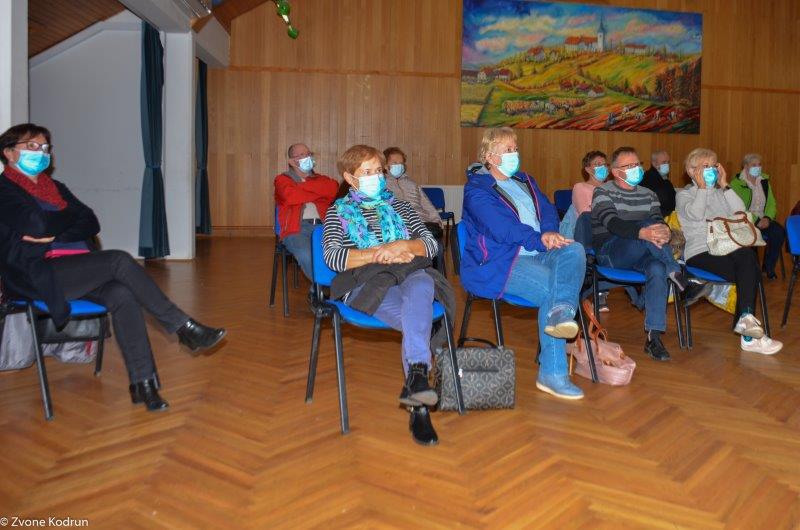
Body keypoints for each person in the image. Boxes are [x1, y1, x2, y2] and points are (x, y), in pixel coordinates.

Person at [0, 123, 226, 411]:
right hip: (36, 274)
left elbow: (90, 221)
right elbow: (38, 224)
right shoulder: (5, 190)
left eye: (45, 147)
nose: (41, 153)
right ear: (9, 152)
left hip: (74, 268)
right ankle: (183, 327)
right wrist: (66, 218)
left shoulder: (55, 188)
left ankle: (144, 383)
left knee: (121, 294)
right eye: (32, 146)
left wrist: (54, 232)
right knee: (118, 260)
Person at [322, 144, 446, 446]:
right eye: (367, 172)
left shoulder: (401, 207)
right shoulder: (338, 212)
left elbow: (431, 244)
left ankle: (417, 382)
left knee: (422, 282)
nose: (376, 177)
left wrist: (403, 247)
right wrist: (379, 253)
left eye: (378, 170)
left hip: (409, 273)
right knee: (417, 320)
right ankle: (418, 399)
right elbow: (333, 258)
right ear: (350, 178)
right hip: (366, 283)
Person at [461, 127, 586, 400]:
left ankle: (561, 313)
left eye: (515, 148)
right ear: (489, 156)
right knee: (554, 290)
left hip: (539, 249)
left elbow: (548, 210)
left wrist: (550, 232)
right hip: (501, 261)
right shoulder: (477, 189)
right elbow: (502, 228)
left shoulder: (525, 180)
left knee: (575, 249)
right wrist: (540, 239)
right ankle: (553, 373)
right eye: (507, 150)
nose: (514, 154)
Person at [591, 146, 708, 362]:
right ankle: (679, 277)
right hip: (611, 252)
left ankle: (653, 338)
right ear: (615, 172)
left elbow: (658, 223)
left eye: (638, 164)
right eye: (629, 165)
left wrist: (664, 231)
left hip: (643, 250)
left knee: (657, 267)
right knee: (646, 226)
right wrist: (644, 231)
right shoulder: (603, 192)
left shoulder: (649, 194)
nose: (636, 169)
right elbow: (613, 224)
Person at [676, 148, 782, 355]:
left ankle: (746, 327)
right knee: (750, 270)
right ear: (691, 171)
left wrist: (724, 184)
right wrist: (702, 188)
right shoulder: (683, 195)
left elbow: (742, 211)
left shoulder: (721, 192)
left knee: (748, 259)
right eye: (705, 166)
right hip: (700, 252)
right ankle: (748, 335)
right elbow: (696, 214)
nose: (710, 171)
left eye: (713, 166)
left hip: (727, 246)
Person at [274, 143, 339, 280]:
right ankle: (321, 289)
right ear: (292, 161)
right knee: (307, 254)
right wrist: (318, 192)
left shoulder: (322, 179)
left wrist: (301, 187)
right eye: (302, 155)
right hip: (297, 229)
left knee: (339, 253)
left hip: (325, 226)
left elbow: (333, 188)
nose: (307, 157)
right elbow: (291, 196)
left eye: (309, 154)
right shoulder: (282, 179)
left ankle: (329, 287)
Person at [383, 146, 446, 272]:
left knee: (438, 247)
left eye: (401, 163)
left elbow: (427, 204)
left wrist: (436, 220)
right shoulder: (381, 185)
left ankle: (437, 278)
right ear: (385, 165)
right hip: (403, 226)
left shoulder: (412, 184)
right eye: (394, 162)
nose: (399, 165)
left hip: (424, 222)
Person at [730, 153, 785, 279]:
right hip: (746, 220)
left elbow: (771, 203)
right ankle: (753, 271)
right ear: (745, 166)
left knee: (779, 232)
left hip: (764, 219)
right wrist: (755, 221)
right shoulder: (736, 184)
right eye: (754, 165)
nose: (758, 167)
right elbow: (738, 208)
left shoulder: (764, 181)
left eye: (759, 164)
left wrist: (767, 218)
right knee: (751, 238)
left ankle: (768, 267)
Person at [639, 150, 677, 217]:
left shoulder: (663, 178)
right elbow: (664, 201)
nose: (667, 165)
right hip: (659, 215)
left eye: (668, 162)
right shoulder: (648, 178)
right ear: (654, 163)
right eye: (664, 162)